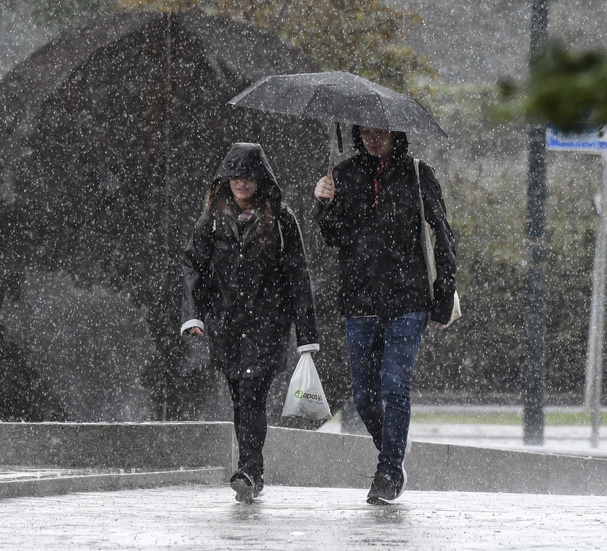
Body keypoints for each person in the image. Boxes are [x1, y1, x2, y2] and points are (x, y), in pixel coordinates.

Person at [313, 125, 457, 505]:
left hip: (407, 299)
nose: (373, 139)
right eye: (365, 133)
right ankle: (395, 443)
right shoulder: (343, 175)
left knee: (394, 386)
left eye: (380, 133)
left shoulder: (417, 173)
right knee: (364, 398)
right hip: (360, 301)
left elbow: (441, 235)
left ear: (396, 133)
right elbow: (333, 236)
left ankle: (389, 470)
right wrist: (323, 202)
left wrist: (442, 299)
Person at [181, 142, 320, 504]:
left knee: (252, 396)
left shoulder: (281, 219)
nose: (241, 182)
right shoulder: (212, 220)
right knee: (239, 400)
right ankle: (250, 472)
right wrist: (193, 313)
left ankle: (250, 470)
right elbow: (193, 266)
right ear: (226, 178)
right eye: (235, 175)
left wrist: (306, 336)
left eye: (248, 175)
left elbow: (297, 276)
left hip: (267, 325)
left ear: (261, 179)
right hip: (227, 325)